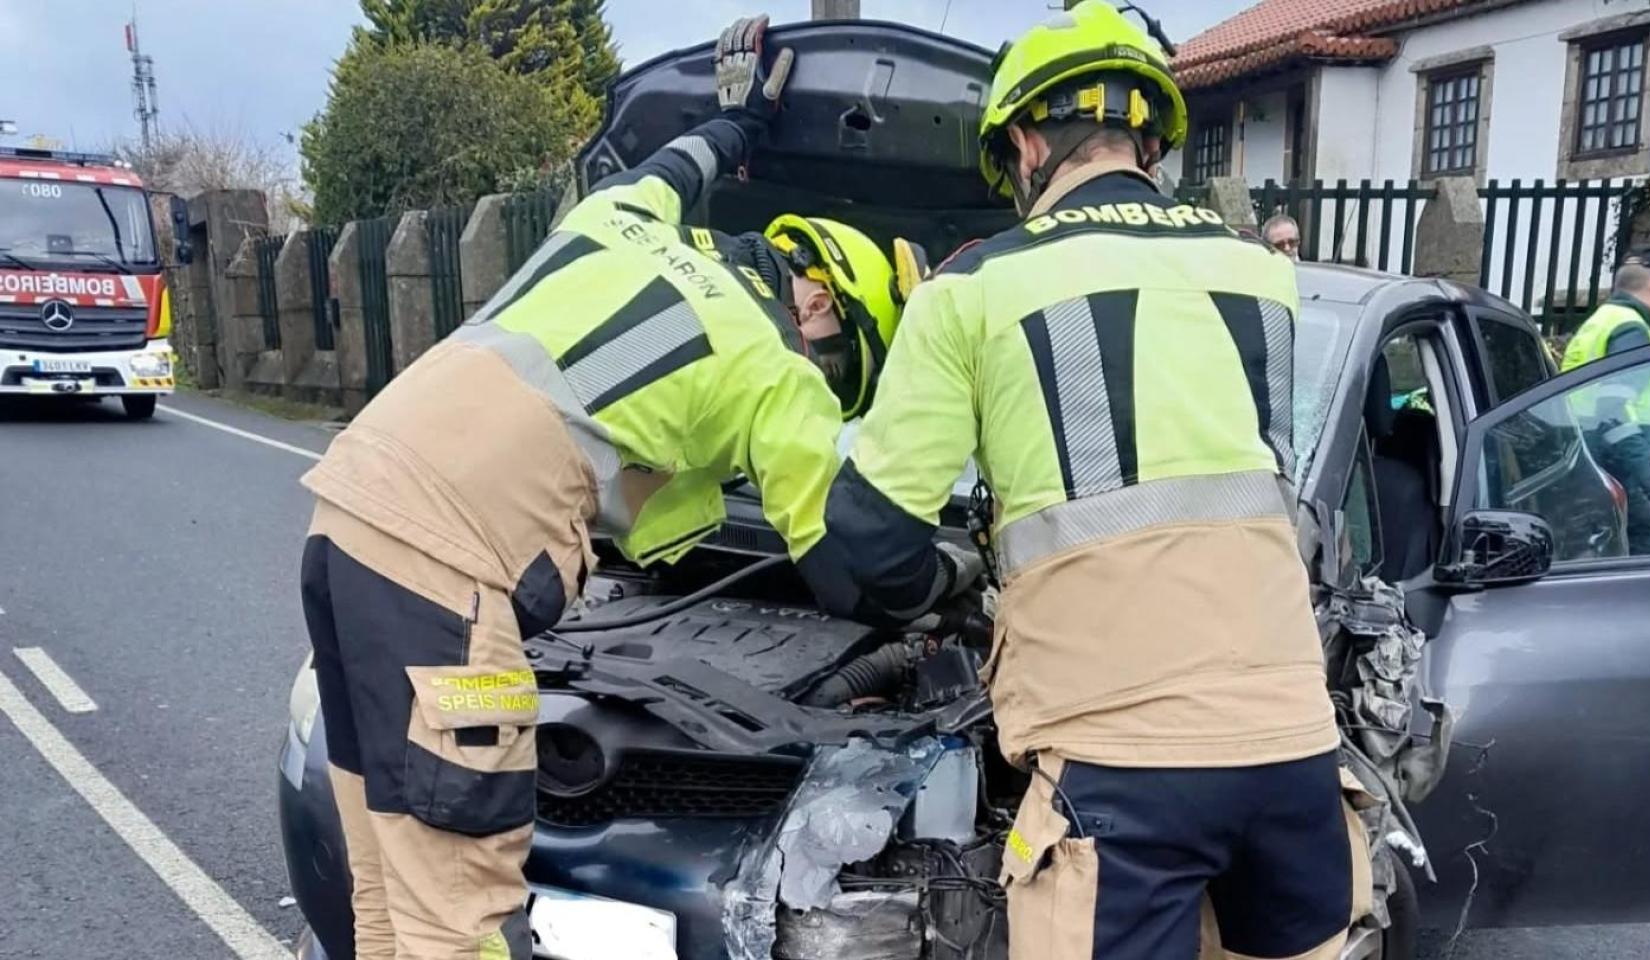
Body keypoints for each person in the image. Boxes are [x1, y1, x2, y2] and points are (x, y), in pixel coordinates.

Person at [294, 16, 940, 959]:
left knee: (384, 886)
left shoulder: (617, 224)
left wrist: (741, 122)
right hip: (444, 573)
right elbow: (846, 560)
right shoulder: (772, 366)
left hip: (343, 522)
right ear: (818, 303)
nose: (830, 385)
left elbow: (670, 170)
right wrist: (942, 576)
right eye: (846, 364)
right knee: (460, 912)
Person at [814, 3, 1351, 958]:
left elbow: (870, 531)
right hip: (1293, 751)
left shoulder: (974, 289)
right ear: (1148, 136)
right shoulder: (1258, 273)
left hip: (1124, 774)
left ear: (1026, 141)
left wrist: (943, 587)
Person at [1561, 244, 1650, 554]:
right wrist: (1648, 478)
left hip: (1586, 458)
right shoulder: (1632, 330)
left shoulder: (1602, 320)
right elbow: (1612, 411)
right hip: (1614, 464)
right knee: (1647, 550)